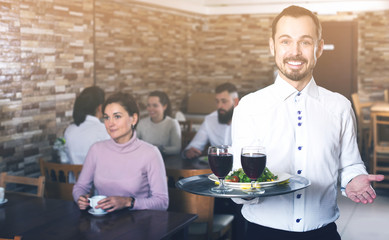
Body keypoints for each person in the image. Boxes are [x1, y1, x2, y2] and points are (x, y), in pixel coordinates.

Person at [231, 5, 384, 239]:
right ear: (272, 46)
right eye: (285, 41)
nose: (295, 52)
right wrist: (245, 189)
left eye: (305, 42)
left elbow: (350, 164)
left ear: (319, 47)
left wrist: (353, 179)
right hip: (261, 233)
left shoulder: (340, 106)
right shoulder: (249, 107)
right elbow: (240, 180)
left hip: (323, 233)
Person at [73, 92, 169, 212]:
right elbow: (80, 187)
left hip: (139, 224)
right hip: (104, 223)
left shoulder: (150, 153)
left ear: (133, 119)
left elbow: (162, 202)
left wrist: (128, 202)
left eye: (117, 116)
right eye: (106, 117)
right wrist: (81, 198)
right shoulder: (96, 150)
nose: (110, 123)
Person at [183, 82, 239, 159]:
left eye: (224, 101)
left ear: (235, 102)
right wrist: (189, 152)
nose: (219, 106)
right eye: (217, 101)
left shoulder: (248, 121)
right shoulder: (210, 120)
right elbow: (194, 146)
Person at [64, 86, 110, 164]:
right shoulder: (104, 131)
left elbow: (65, 160)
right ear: (100, 107)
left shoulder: (69, 130)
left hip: (76, 176)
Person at [137, 91, 181, 155]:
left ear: (164, 106)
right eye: (149, 105)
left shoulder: (172, 123)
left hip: (166, 161)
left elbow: (177, 149)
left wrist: (159, 149)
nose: (150, 109)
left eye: (155, 105)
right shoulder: (142, 123)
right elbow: (134, 144)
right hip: (145, 160)